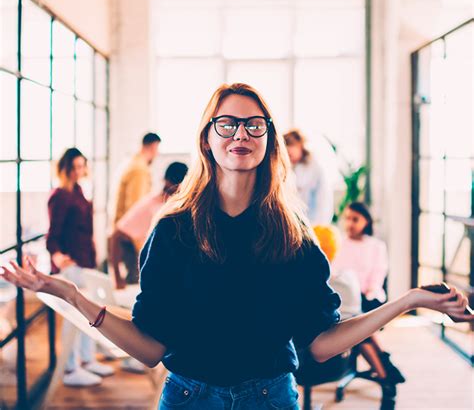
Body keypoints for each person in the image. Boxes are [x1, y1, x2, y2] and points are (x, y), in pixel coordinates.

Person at [1, 84, 472, 410]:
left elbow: (322, 344)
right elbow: (149, 349)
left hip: (271, 399)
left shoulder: (295, 238)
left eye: (253, 125)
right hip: (188, 398)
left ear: (269, 140)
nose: (240, 134)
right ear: (207, 140)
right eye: (225, 124)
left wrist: (408, 300)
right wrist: (70, 294)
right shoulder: (174, 233)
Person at [45, 148, 114, 387]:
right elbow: (52, 236)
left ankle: (86, 360)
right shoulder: (60, 196)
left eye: (82, 165)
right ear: (65, 168)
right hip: (72, 267)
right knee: (73, 319)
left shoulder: (78, 192)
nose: (79, 170)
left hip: (85, 264)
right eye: (75, 166)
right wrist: (59, 257)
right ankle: (70, 368)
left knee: (89, 316)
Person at [315, 224, 405, 384]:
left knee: (361, 323)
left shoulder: (375, 246)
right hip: (343, 318)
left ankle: (385, 369)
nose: (350, 223)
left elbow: (378, 275)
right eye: (348, 219)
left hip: (360, 302)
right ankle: (385, 370)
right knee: (361, 328)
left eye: (354, 219)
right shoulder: (343, 275)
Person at [109, 161, 188, 289]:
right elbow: (116, 236)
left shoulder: (180, 207)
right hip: (142, 269)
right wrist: (117, 278)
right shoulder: (152, 205)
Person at [284, 129, 334, 226]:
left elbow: (323, 201)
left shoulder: (315, 169)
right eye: (285, 145)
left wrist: (319, 225)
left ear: (301, 145)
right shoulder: (285, 169)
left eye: (291, 144)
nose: (288, 149)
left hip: (314, 223)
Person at [112, 132, 161, 226]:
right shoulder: (139, 170)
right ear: (153, 147)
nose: (157, 154)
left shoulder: (131, 163)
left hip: (122, 229)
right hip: (128, 235)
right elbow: (135, 207)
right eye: (157, 149)